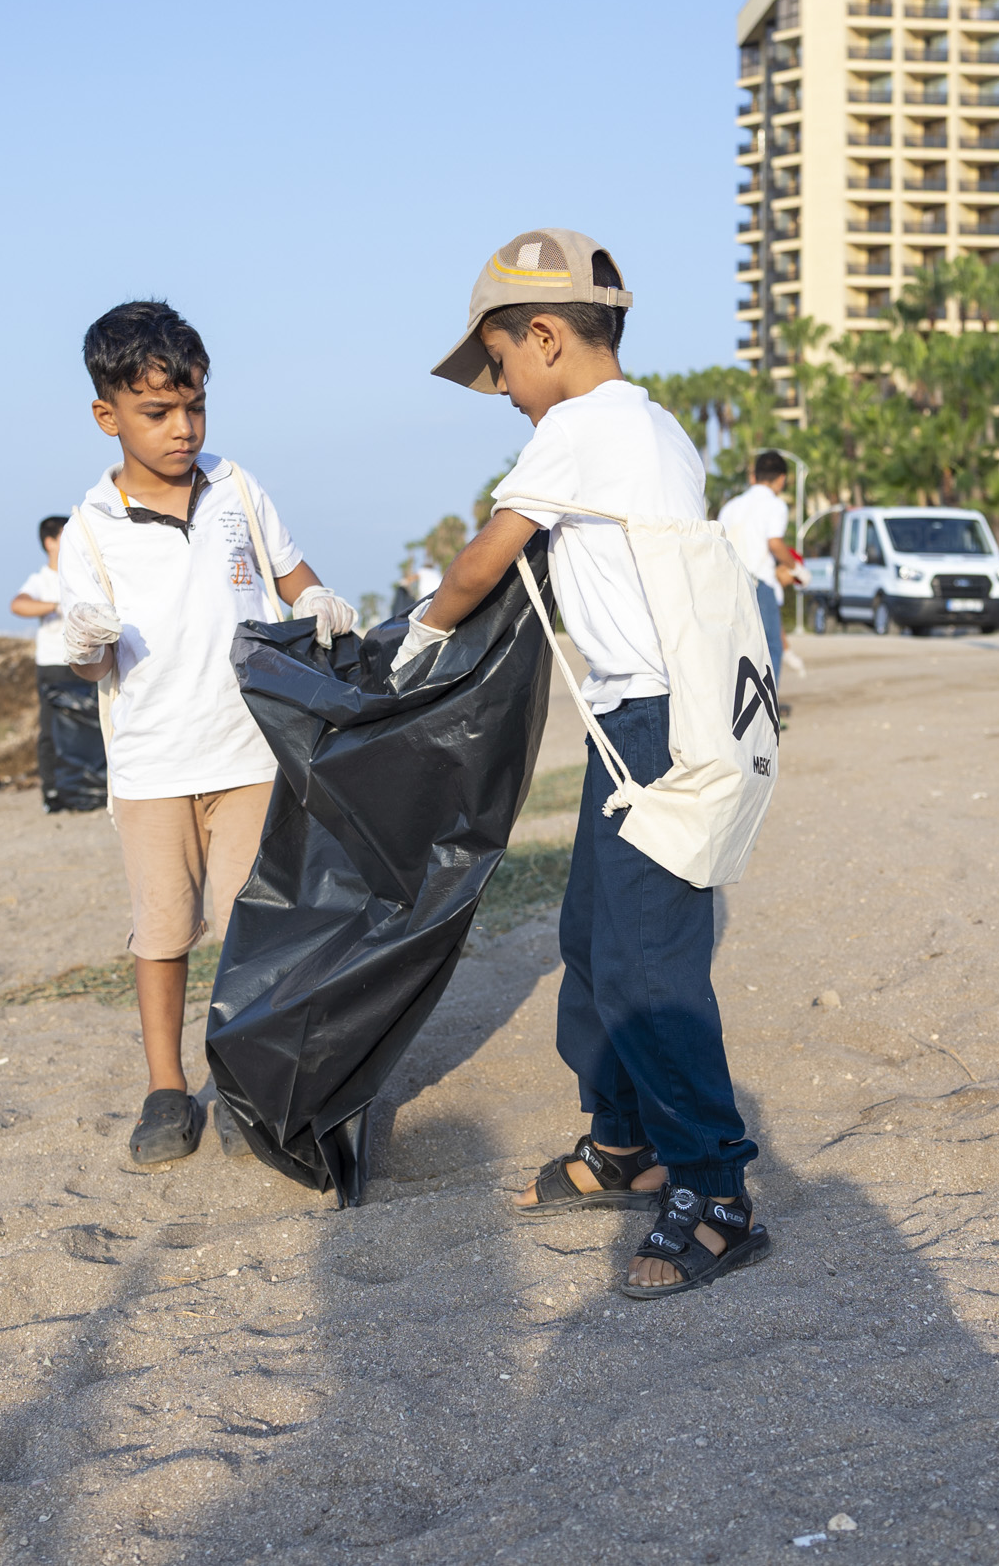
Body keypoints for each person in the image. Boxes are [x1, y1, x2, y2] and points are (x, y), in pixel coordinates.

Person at [406, 227, 765, 1300]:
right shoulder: (654, 427)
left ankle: (714, 1187)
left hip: (656, 728)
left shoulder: (578, 428)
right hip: (649, 725)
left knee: (651, 971)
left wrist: (416, 639)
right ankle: (622, 1141)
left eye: (503, 369)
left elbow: (483, 558)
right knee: (593, 943)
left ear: (546, 338)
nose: (506, 392)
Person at [57, 300, 356, 1168]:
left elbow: (296, 577)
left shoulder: (237, 489)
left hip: (249, 750)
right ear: (107, 416)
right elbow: (86, 654)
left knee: (255, 929)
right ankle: (163, 1085)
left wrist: (315, 601)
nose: (181, 428)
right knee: (162, 929)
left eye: (194, 406)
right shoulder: (89, 527)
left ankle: (244, 1081)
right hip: (152, 766)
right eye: (157, 412)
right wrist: (85, 642)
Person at [12, 515, 105, 810]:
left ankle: (99, 787)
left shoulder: (85, 574)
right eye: (67, 534)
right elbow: (19, 604)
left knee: (99, 723)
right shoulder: (40, 580)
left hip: (90, 660)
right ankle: (53, 792)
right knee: (51, 730)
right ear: (50, 542)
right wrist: (55, 606)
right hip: (54, 664)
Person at [717, 451, 806, 677]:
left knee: (738, 651)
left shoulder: (731, 506)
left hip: (729, 584)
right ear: (782, 479)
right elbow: (775, 543)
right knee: (770, 648)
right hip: (759, 585)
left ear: (755, 476)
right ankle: (768, 709)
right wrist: (797, 568)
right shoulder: (775, 505)